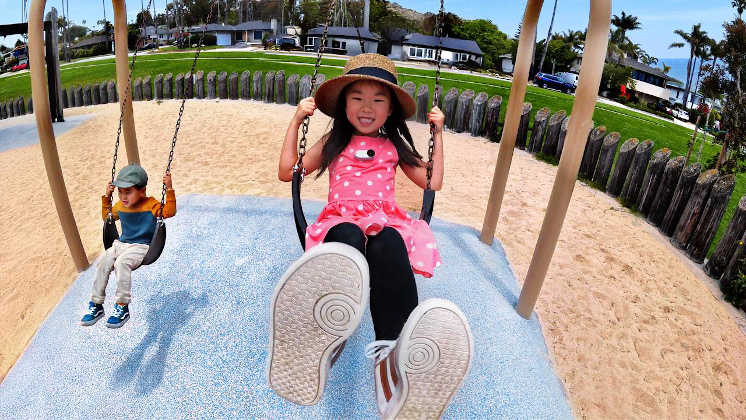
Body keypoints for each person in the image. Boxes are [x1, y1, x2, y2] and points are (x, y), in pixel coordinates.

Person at [269, 53, 473, 418]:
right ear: (343, 103)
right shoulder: (334, 141)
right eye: (357, 97)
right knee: (345, 241)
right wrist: (297, 119)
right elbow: (289, 172)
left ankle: (392, 362)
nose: (367, 107)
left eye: (378, 99)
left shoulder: (392, 146)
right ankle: (325, 339)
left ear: (391, 108)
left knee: (389, 246)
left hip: (385, 221)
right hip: (342, 219)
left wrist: (438, 134)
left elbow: (432, 181)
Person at [80, 162, 176, 328]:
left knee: (121, 263)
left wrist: (169, 189)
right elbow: (107, 217)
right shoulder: (120, 206)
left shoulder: (150, 204)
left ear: (142, 191)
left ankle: (122, 306)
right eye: (120, 192)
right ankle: (96, 304)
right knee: (104, 261)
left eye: (128, 192)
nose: (123, 197)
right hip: (121, 244)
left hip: (142, 247)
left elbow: (169, 212)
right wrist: (107, 196)